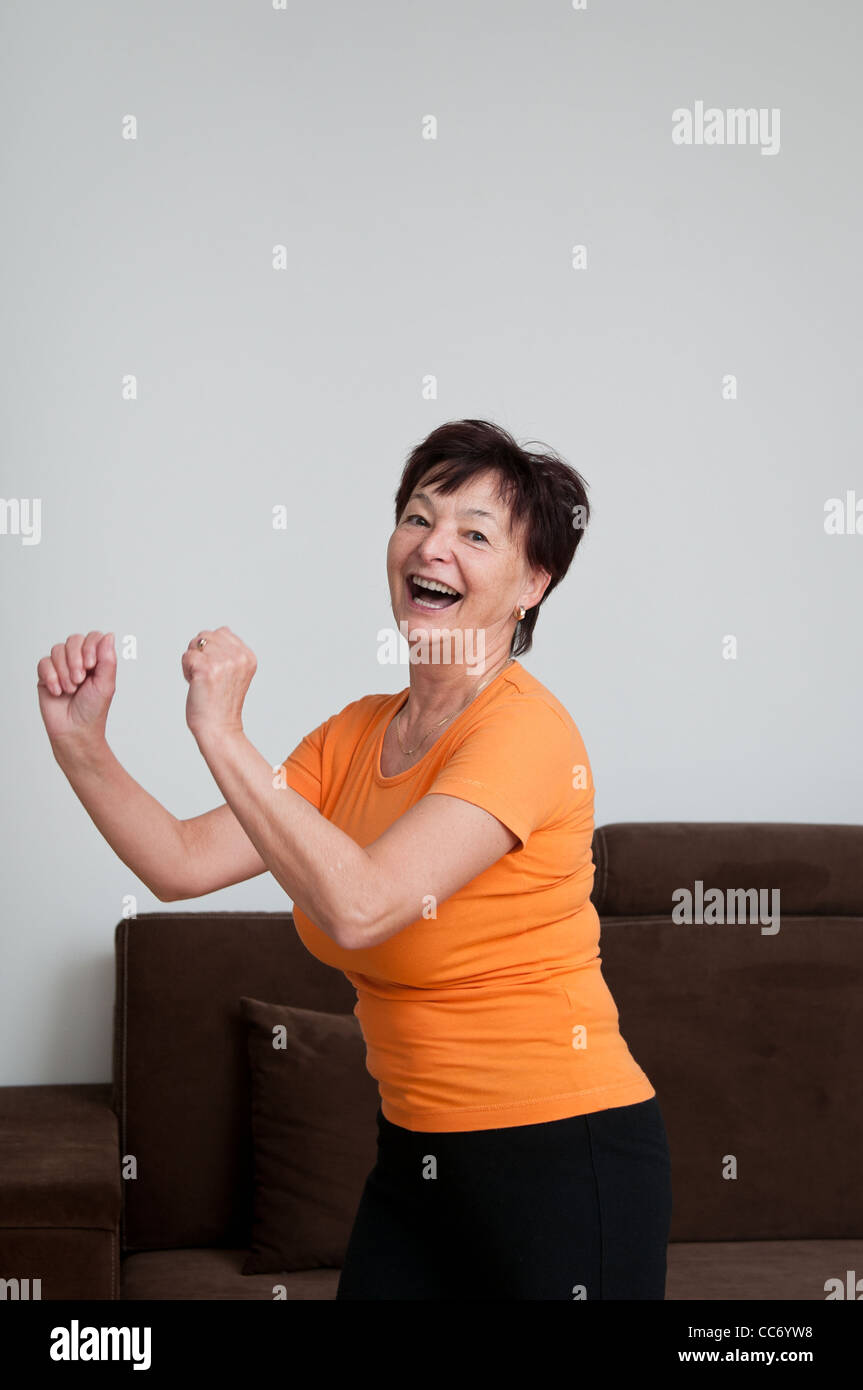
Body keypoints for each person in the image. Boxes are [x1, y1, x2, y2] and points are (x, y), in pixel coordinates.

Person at [37, 418, 672, 1300]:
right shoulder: (356, 735)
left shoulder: (524, 732)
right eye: (418, 516)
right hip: (415, 1156)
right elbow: (181, 862)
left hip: (564, 1154)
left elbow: (365, 906)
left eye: (474, 533)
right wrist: (81, 748)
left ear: (533, 582)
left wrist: (220, 732)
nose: (432, 545)